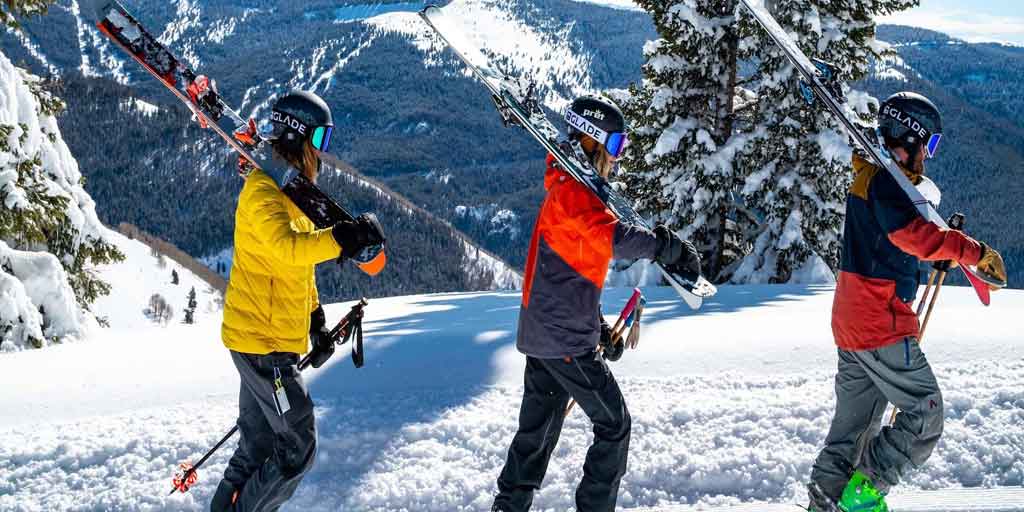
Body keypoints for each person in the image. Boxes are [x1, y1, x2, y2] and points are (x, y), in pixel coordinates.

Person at [491, 95, 702, 512]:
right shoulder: (575, 196)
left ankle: (509, 505)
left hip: (547, 336)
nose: (617, 158)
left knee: (537, 434)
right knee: (614, 425)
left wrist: (600, 329)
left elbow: (569, 278)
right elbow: (616, 238)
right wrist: (665, 247)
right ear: (593, 142)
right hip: (564, 343)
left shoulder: (568, 190)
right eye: (616, 145)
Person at [807, 92, 1007, 512]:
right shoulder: (884, 180)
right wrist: (968, 250)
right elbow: (909, 235)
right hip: (879, 321)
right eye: (929, 145)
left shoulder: (872, 177)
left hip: (852, 320)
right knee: (925, 414)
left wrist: (938, 254)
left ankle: (825, 501)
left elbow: (889, 241)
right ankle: (864, 493)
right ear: (910, 138)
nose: (928, 157)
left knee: (852, 429)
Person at [210, 90, 385, 512]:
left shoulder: (290, 195)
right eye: (320, 140)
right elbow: (289, 248)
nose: (322, 154)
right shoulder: (262, 192)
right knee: (297, 448)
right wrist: (342, 238)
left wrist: (315, 321)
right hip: (264, 349)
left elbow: (297, 268)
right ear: (298, 137)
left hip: (266, 341)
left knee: (256, 446)